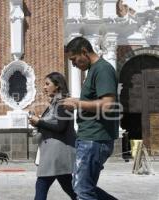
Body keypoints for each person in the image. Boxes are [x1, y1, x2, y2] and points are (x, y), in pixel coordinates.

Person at [62, 37, 119, 200]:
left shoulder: (103, 69)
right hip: (89, 138)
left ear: (84, 52)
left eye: (74, 59)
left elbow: (108, 104)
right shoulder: (94, 70)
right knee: (82, 187)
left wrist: (77, 103)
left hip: (94, 139)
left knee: (83, 191)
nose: (73, 64)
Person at [29, 72, 77, 200]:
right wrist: (38, 121)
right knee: (71, 187)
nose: (44, 87)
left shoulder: (63, 103)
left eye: (47, 84)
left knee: (41, 185)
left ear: (57, 86)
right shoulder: (55, 104)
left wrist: (39, 122)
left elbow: (61, 127)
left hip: (56, 153)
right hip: (55, 153)